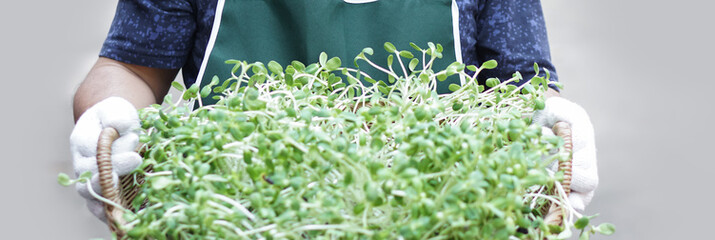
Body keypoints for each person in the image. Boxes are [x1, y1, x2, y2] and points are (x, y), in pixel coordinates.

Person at [71, 0, 599, 223]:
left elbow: (524, 88)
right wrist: (108, 112)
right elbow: (132, 70)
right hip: (245, 209)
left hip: (429, 217)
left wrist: (556, 123)